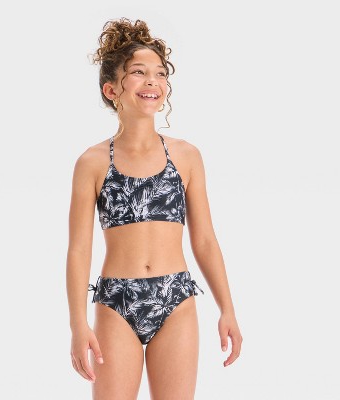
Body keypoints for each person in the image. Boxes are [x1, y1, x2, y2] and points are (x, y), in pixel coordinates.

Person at [66, 17, 243, 399]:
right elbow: (79, 249)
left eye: (160, 73)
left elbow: (205, 240)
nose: (152, 81)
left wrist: (227, 308)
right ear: (111, 89)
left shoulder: (186, 156)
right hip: (116, 302)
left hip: (175, 298)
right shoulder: (92, 162)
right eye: (139, 72)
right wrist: (78, 325)